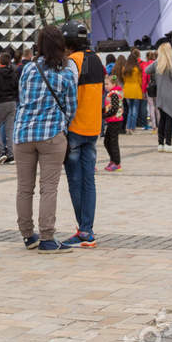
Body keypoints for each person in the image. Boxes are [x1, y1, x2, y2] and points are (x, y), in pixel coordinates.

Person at [15, 25, 78, 253]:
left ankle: (27, 235)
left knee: (24, 188)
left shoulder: (28, 69)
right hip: (51, 134)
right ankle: (48, 238)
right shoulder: (66, 73)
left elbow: (22, 98)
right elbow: (71, 107)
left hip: (22, 134)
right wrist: (62, 126)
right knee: (48, 188)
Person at [62, 28, 106, 248]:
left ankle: (84, 230)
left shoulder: (73, 61)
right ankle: (87, 228)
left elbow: (68, 94)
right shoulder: (97, 59)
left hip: (76, 128)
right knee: (89, 180)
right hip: (93, 127)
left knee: (75, 181)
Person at [149, 43, 172, 151]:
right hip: (170, 95)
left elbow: (146, 70)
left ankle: (160, 144)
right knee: (170, 118)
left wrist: (157, 61)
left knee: (162, 119)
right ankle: (168, 143)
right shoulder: (171, 64)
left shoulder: (157, 64)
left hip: (160, 95)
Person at [0, 51, 19, 164]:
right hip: (12, 102)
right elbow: (17, 86)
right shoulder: (13, 71)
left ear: (0, 60)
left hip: (0, 102)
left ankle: (1, 152)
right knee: (10, 129)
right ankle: (11, 154)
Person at [117, 50, 145, 133]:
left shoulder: (124, 69)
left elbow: (124, 79)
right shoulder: (137, 69)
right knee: (134, 110)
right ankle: (132, 128)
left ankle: (128, 127)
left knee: (129, 110)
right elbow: (140, 80)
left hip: (127, 90)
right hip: (136, 89)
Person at [101, 73, 125, 171]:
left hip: (115, 121)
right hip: (111, 120)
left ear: (113, 84)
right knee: (107, 142)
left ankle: (117, 162)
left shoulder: (114, 94)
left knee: (113, 142)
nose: (105, 86)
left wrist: (104, 115)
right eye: (105, 84)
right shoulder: (110, 93)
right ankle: (112, 160)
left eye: (107, 84)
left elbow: (114, 109)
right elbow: (108, 107)